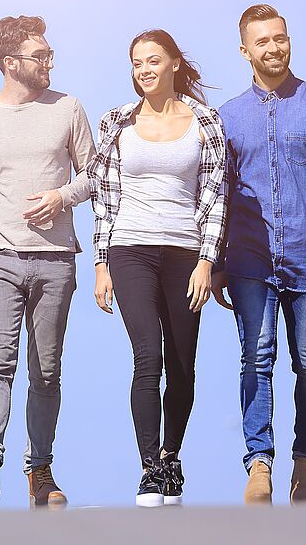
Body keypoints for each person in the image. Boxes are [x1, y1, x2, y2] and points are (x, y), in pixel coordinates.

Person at [211, 4, 306, 505]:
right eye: (262, 42)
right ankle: (259, 464)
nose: (273, 48)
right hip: (249, 259)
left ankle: (305, 461)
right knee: (255, 356)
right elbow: (216, 194)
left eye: (280, 38)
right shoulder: (227, 118)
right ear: (244, 51)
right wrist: (212, 262)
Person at [0, 15, 95, 508]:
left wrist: (61, 196)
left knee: (46, 370)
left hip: (56, 261)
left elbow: (96, 177)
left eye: (50, 54)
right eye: (41, 56)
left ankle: (40, 473)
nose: (50, 62)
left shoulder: (68, 109)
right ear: (11, 63)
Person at [88, 30, 228, 507]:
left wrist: (207, 261)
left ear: (173, 64)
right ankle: (149, 468)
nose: (144, 69)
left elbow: (215, 195)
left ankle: (171, 457)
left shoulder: (206, 120)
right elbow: (104, 196)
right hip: (130, 249)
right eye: (136, 62)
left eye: (152, 59)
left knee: (182, 365)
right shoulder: (115, 121)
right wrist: (102, 261)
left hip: (186, 254)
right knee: (147, 355)